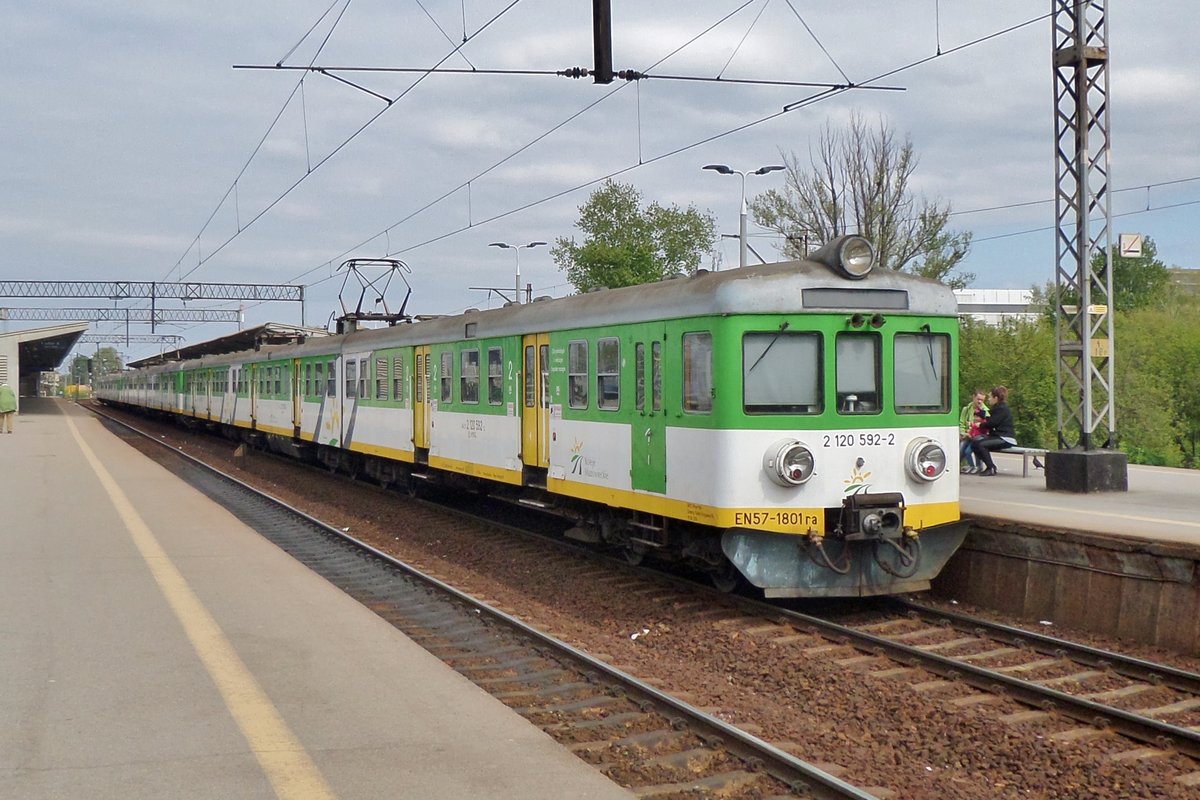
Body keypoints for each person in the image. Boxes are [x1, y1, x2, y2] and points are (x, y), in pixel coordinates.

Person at [970, 385, 1017, 476]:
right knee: (975, 443)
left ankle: (991, 467)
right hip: (998, 436)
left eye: (990, 397)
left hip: (1005, 438)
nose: (989, 399)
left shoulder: (1002, 409)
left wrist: (980, 424)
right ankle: (990, 466)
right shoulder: (998, 408)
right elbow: (990, 418)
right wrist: (980, 413)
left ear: (996, 398)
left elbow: (992, 423)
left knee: (980, 445)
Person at [958, 390, 988, 473]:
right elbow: (962, 422)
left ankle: (978, 467)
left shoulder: (985, 411)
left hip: (978, 436)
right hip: (967, 434)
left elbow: (986, 425)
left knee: (976, 446)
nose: (980, 401)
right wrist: (963, 433)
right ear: (973, 397)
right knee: (961, 450)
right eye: (978, 399)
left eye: (982, 400)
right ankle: (959, 465)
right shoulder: (966, 409)